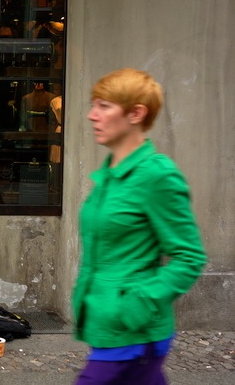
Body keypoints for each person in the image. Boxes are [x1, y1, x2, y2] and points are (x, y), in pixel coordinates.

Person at [72, 68, 207, 384]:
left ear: (136, 113)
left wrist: (138, 302)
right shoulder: (108, 176)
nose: (92, 115)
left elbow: (190, 257)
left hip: (132, 333)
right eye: (94, 105)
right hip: (108, 326)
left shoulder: (157, 176)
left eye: (104, 106)